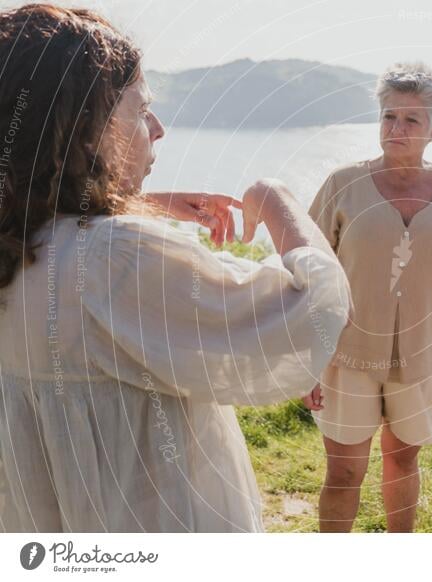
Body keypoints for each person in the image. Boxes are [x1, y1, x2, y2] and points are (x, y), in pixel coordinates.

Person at [0, 4, 350, 532]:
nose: (158, 129)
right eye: (141, 110)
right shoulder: (118, 259)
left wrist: (145, 202)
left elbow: (55, 232)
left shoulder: (17, 246)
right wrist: (274, 199)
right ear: (86, 129)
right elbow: (312, 309)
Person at [306, 62, 432, 532]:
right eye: (389, 116)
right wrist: (307, 355)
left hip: (428, 357)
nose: (396, 128)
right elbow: (308, 273)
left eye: (411, 119)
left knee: (403, 461)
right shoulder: (342, 185)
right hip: (344, 356)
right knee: (345, 472)